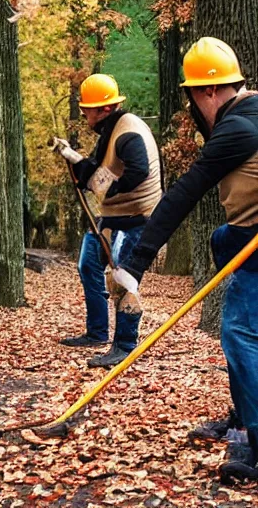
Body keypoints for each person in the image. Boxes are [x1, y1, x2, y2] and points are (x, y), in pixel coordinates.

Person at [113, 37, 258, 482]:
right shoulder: (250, 114)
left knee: (238, 332)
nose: (196, 108)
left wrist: (133, 265)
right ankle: (242, 420)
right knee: (222, 246)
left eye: (193, 96)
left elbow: (183, 194)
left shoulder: (237, 129)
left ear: (208, 92)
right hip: (243, 238)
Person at [56, 73, 162, 367]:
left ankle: (124, 346)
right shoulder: (112, 131)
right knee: (88, 264)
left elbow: (138, 170)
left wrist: (110, 188)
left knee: (122, 281)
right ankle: (97, 332)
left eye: (87, 108)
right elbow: (98, 170)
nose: (84, 113)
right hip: (112, 217)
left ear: (104, 109)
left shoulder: (127, 133)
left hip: (134, 218)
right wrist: (72, 157)